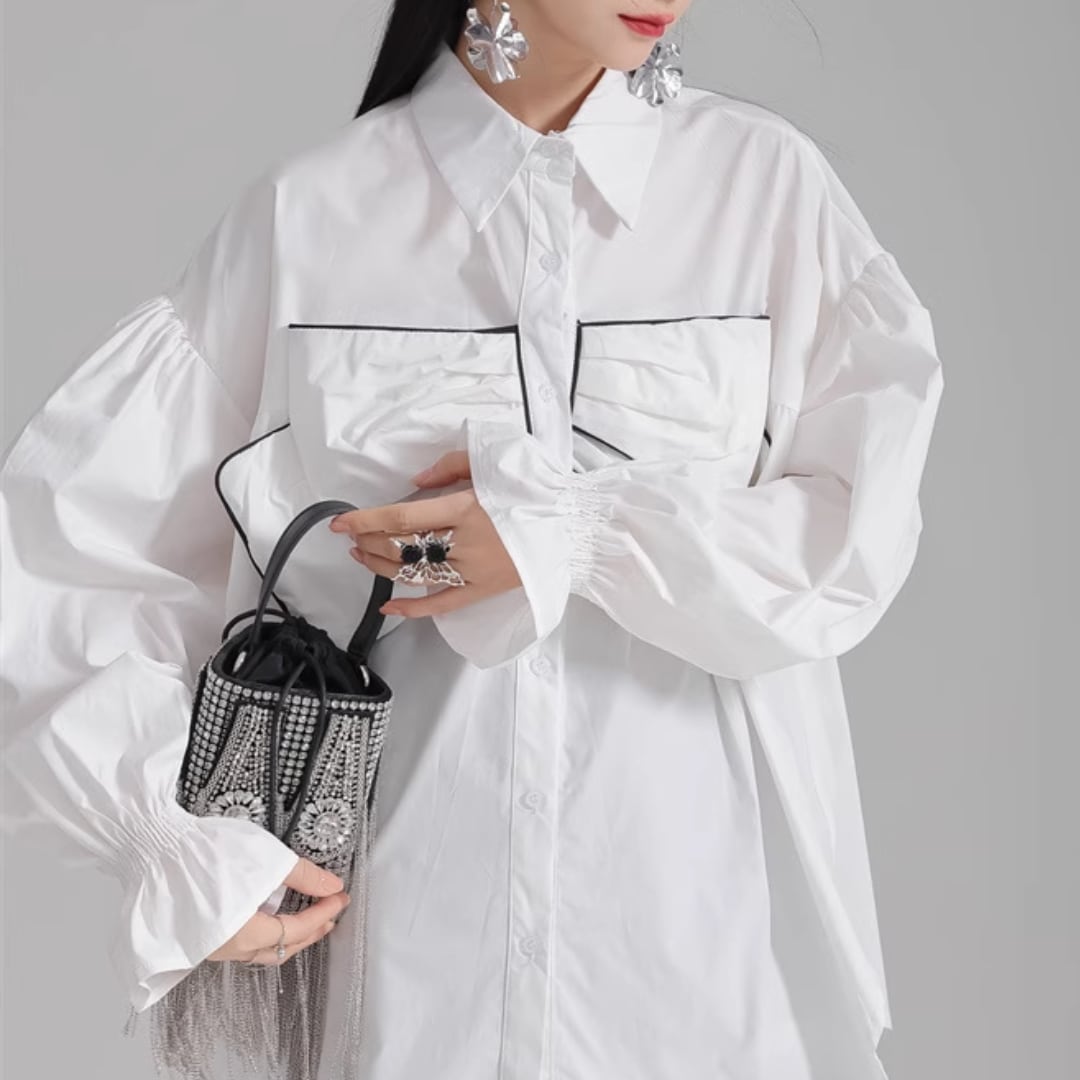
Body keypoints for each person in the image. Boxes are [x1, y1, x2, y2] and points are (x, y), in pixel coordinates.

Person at [0, 1, 945, 1078]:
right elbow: (61, 558)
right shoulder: (312, 216)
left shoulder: (762, 191)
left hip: (704, 963)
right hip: (413, 975)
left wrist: (576, 534)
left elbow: (850, 536)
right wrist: (170, 843)